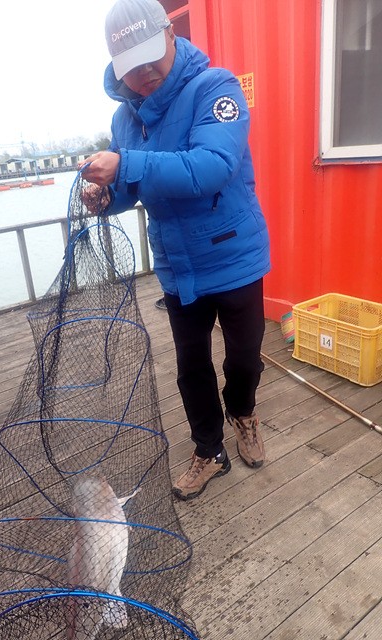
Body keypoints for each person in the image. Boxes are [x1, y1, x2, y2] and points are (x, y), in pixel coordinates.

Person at [79, 0, 271, 500]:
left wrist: (126, 164)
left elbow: (211, 167)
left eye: (150, 56)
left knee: (244, 360)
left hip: (235, 258)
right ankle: (209, 450)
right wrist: (105, 196)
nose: (143, 73)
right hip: (178, 266)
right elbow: (130, 187)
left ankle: (244, 413)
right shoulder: (125, 118)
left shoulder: (216, 88)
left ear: (169, 34)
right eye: (130, 65)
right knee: (191, 368)